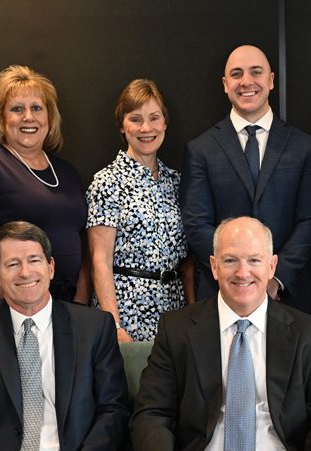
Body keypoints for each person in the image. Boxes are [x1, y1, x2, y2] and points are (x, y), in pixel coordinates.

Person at [131, 217, 311, 450]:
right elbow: (152, 414)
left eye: (254, 260)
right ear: (214, 266)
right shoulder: (176, 330)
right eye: (230, 260)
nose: (242, 273)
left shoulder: (307, 334)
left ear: (272, 266)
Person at [0, 221, 129, 450]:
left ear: (51, 267)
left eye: (34, 260)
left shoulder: (94, 327)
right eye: (13, 264)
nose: (25, 272)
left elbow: (113, 409)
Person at [180, 44, 311, 315]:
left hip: (289, 297)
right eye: (236, 74)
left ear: (271, 80)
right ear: (225, 84)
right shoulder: (200, 150)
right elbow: (197, 224)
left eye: (256, 72)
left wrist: (275, 277)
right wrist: (237, 275)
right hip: (221, 297)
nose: (246, 81)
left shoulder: (305, 148)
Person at [0, 65, 89, 310]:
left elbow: (84, 246)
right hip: (9, 311)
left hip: (64, 310)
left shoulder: (67, 172)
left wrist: (79, 306)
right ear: (1, 118)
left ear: (49, 117)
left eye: (37, 108)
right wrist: (25, 310)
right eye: (17, 109)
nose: (28, 117)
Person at [86, 79, 194, 343]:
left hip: (173, 309)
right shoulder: (107, 182)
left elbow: (188, 259)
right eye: (136, 119)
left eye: (154, 118)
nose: (146, 128)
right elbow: (100, 259)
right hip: (128, 311)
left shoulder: (177, 182)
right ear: (122, 126)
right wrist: (114, 324)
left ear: (164, 123)